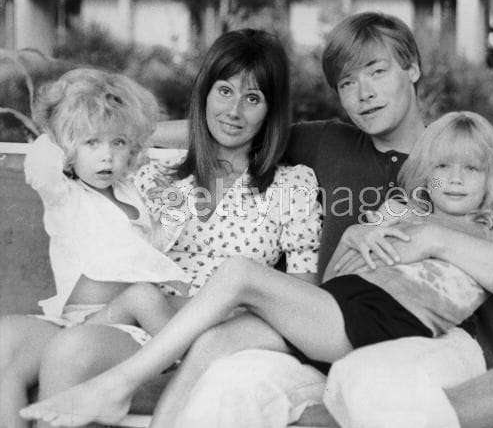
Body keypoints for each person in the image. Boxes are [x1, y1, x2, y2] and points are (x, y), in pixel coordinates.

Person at [23, 103, 493, 428]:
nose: (452, 179)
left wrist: (436, 241)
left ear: (491, 177)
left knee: (241, 275)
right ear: (425, 171)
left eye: (469, 170)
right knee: (218, 345)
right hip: (348, 307)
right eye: (441, 166)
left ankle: (119, 386)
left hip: (386, 321)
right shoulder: (403, 213)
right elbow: (348, 262)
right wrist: (370, 234)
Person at [149, 12, 493, 428]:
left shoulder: (457, 157)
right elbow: (234, 126)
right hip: (324, 331)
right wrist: (122, 135)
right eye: (347, 82)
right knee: (232, 380)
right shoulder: (328, 143)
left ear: (412, 68)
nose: (364, 93)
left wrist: (435, 238)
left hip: (434, 337)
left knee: (369, 380)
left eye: (377, 72)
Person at [4, 29, 322, 428]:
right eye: (224, 91)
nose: (235, 111)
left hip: (199, 336)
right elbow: (60, 145)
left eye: (253, 98)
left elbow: (302, 296)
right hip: (127, 318)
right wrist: (127, 126)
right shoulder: (158, 177)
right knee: (3, 345)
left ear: (271, 111)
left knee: (73, 351)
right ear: (203, 94)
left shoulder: (290, 185)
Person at [0, 67, 192, 428]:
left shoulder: (136, 192)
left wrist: (133, 129)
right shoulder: (61, 192)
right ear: (68, 144)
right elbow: (44, 150)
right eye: (92, 143)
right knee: (3, 342)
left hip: (126, 325)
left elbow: (193, 134)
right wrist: (71, 105)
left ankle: (189, 357)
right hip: (69, 319)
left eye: (118, 143)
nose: (106, 157)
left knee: (143, 295)